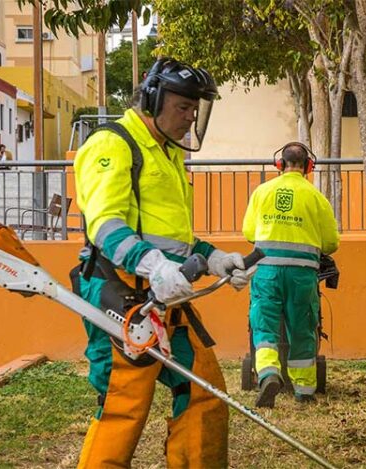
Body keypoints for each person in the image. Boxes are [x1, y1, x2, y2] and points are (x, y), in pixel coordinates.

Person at [72, 58, 253, 468]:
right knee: (123, 405)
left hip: (165, 297)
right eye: (183, 107)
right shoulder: (112, 144)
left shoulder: (167, 154)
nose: (190, 118)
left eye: (195, 109)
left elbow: (175, 240)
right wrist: (154, 266)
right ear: (153, 98)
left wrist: (214, 258)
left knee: (205, 392)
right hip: (121, 296)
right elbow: (106, 224)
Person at [242, 142, 340, 407]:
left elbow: (249, 233)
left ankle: (268, 374)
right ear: (309, 166)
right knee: (303, 329)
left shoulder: (262, 191)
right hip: (302, 275)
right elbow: (331, 243)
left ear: (279, 165)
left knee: (264, 325)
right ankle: (304, 391)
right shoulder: (316, 197)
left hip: (267, 271)